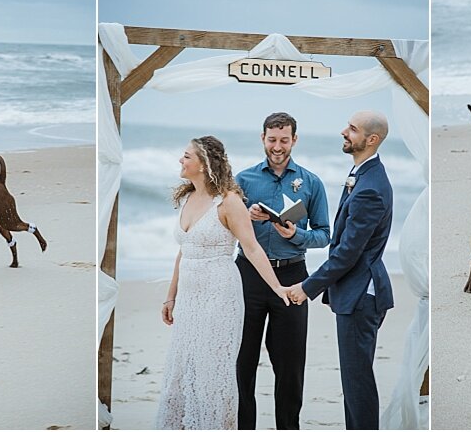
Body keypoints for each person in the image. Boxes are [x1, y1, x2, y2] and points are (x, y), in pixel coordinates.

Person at [155, 135, 292, 430]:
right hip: (189, 298)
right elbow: (184, 251)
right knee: (183, 367)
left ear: (203, 165)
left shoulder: (229, 201)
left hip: (219, 295)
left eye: (187, 156)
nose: (181, 160)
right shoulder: (189, 197)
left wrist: (277, 287)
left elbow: (252, 248)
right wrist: (171, 297)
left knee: (213, 372)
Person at [287, 111, 395, 430]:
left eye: (352, 129)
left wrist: (307, 287)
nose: (343, 132)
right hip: (357, 291)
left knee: (357, 382)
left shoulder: (370, 188)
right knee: (354, 380)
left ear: (371, 140)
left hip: (361, 295)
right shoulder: (362, 173)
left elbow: (348, 252)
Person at [234, 112, 330, 430]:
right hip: (248, 275)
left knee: (290, 365)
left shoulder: (311, 182)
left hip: (293, 277)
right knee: (242, 360)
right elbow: (224, 227)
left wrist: (296, 235)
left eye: (284, 140)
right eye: (272, 139)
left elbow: (324, 234)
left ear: (294, 140)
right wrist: (245, 217)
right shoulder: (244, 180)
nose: (278, 146)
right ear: (263, 138)